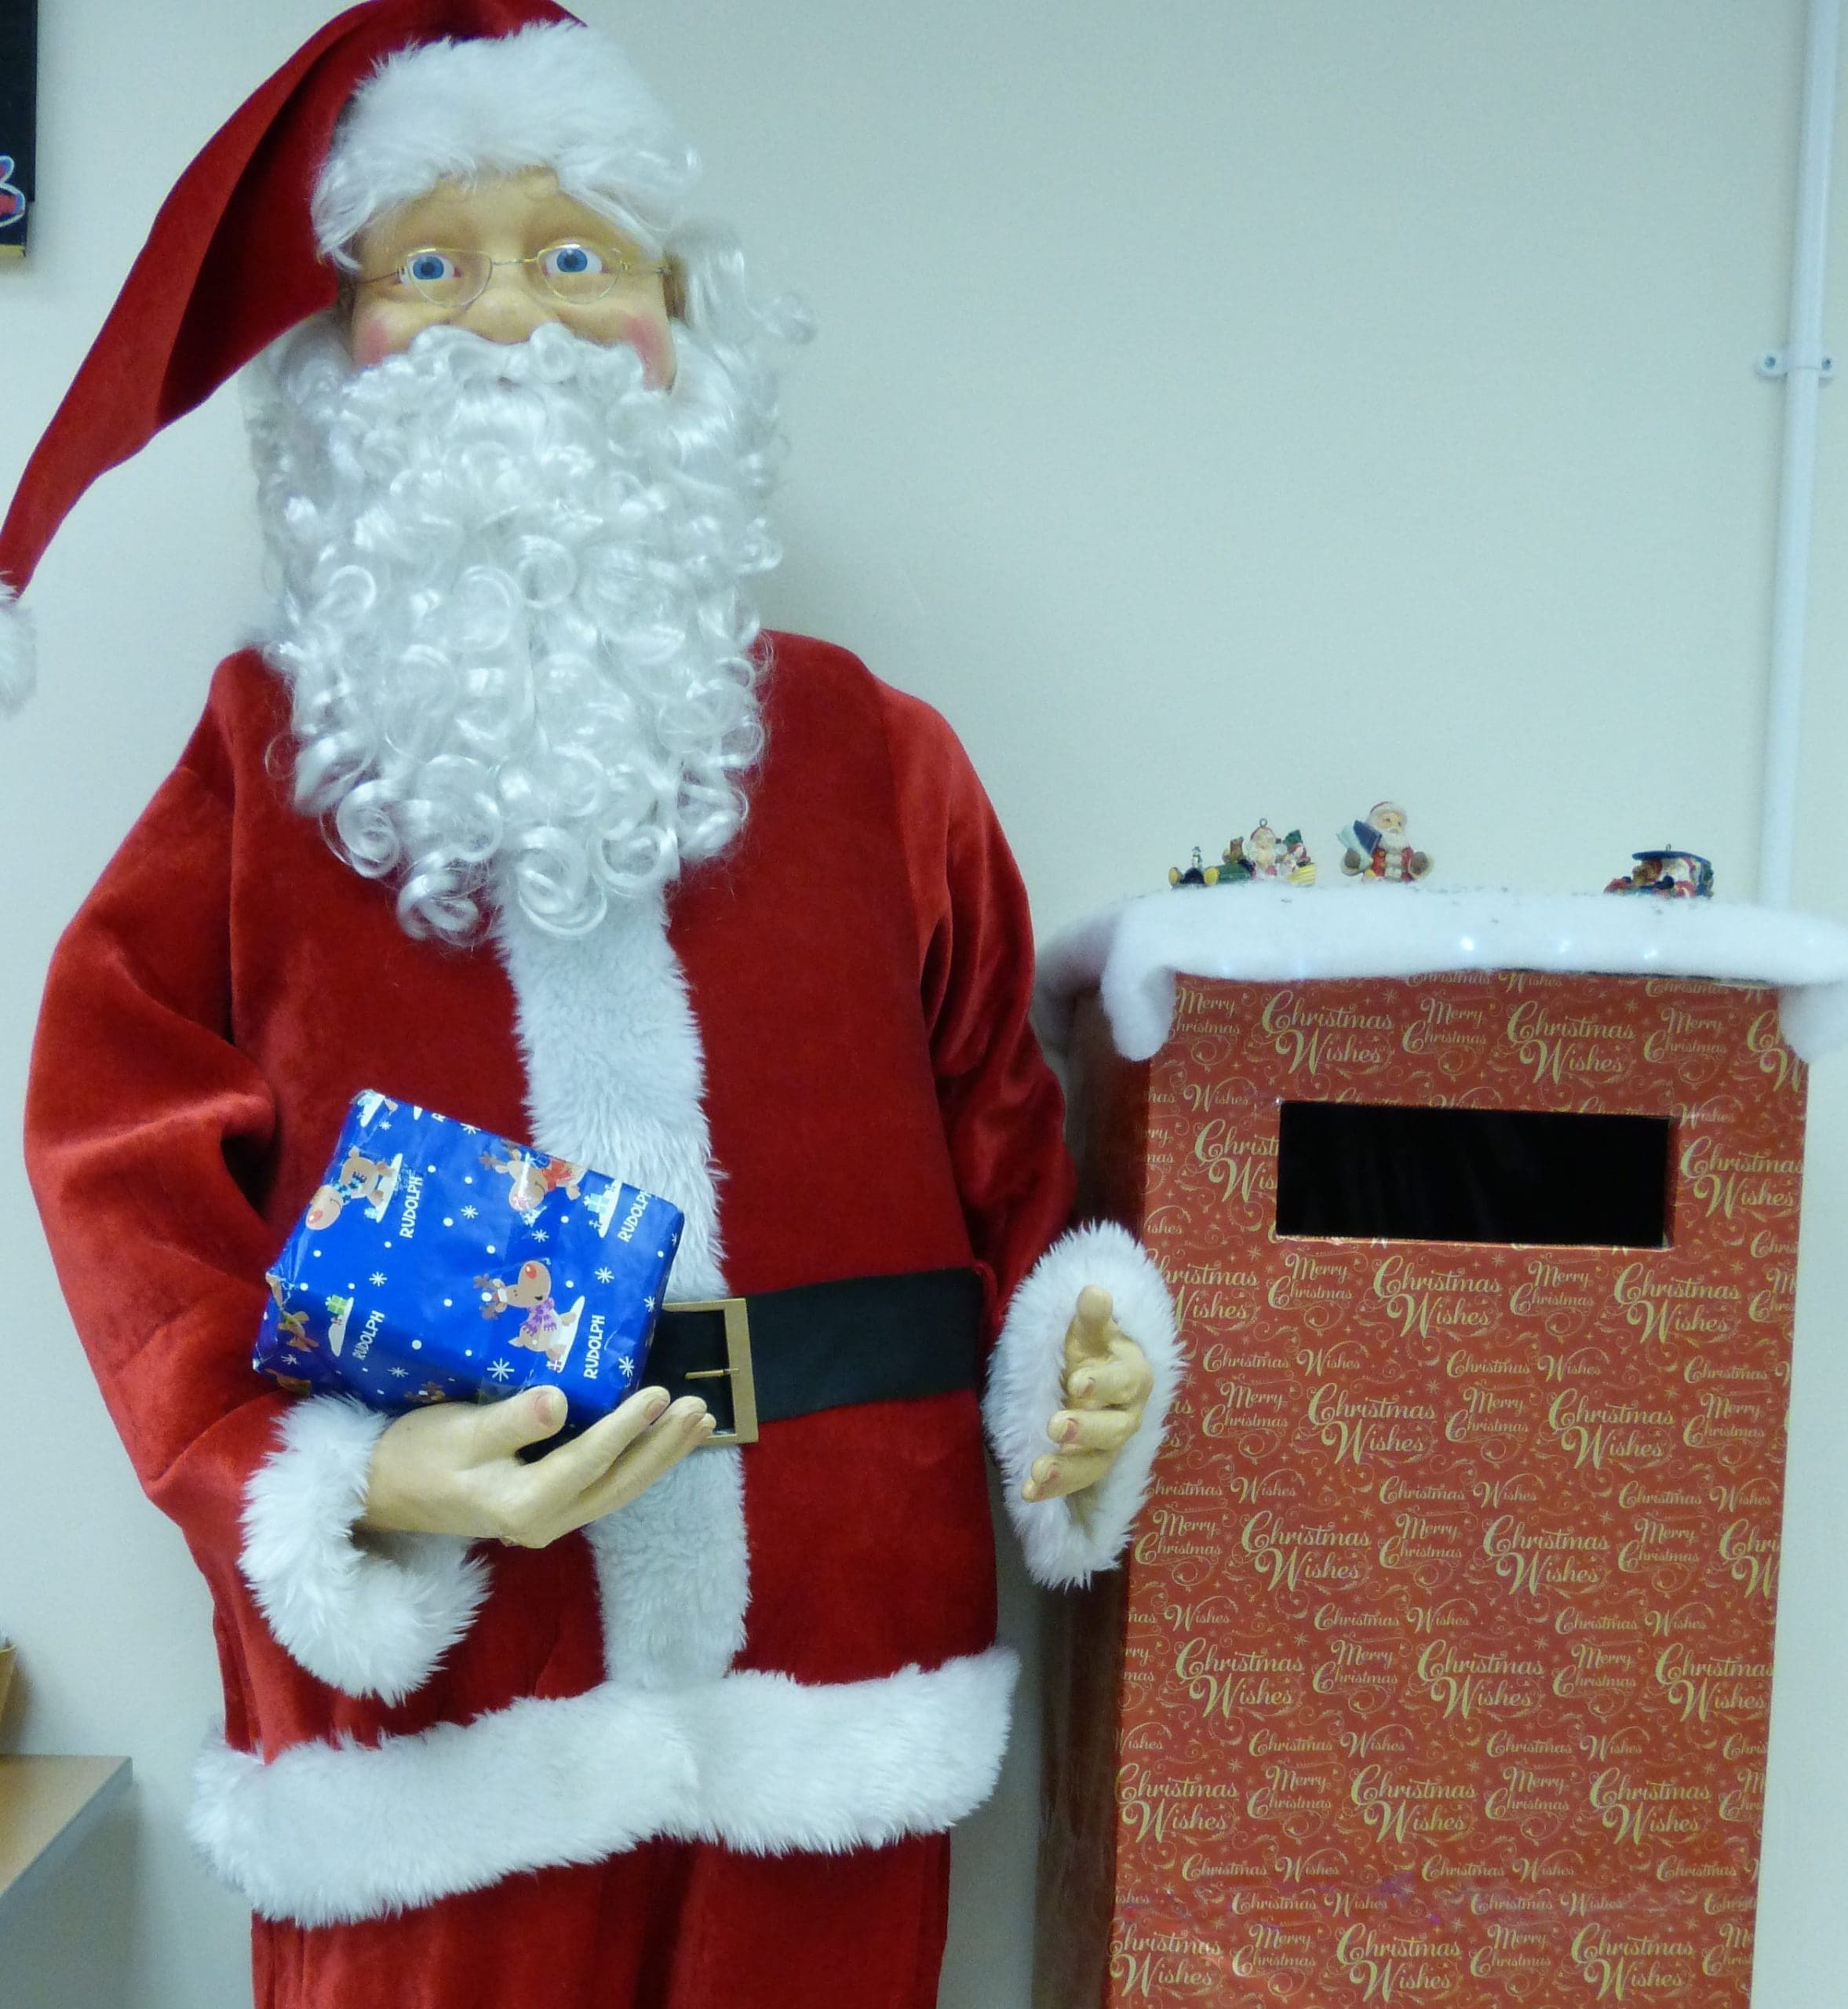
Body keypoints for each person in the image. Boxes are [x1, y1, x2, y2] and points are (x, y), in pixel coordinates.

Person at [4, 5, 1179, 2006]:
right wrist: (335, 1481)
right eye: (428, 267)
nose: (507, 324)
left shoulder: (868, 755)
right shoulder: (260, 763)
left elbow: (1008, 1137)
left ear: (680, 328)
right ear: (336, 353)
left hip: (834, 1678)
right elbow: (115, 1153)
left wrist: (1075, 1356)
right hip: (456, 1697)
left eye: (575, 259)